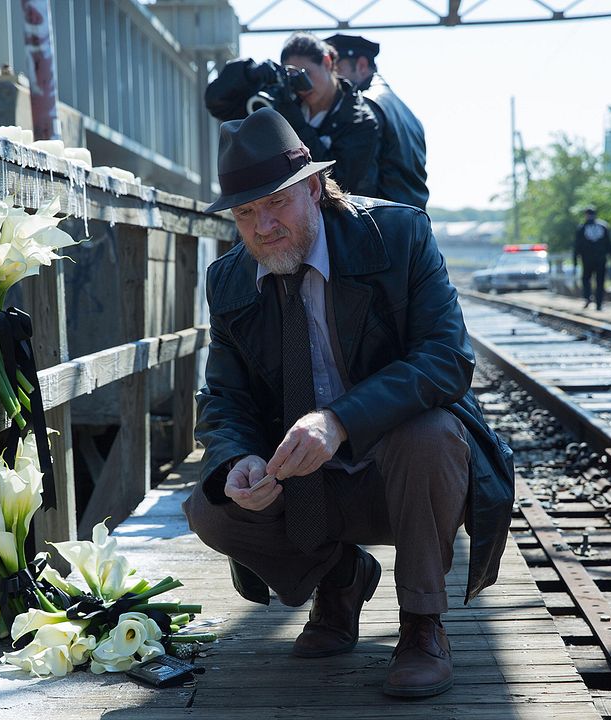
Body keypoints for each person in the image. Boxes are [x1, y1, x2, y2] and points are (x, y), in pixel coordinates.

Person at [183, 108, 515, 699]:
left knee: (430, 433)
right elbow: (225, 399)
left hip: (401, 469)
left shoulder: (400, 235)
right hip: (304, 482)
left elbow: (447, 358)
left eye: (276, 203)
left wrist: (340, 421)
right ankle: (340, 578)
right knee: (211, 506)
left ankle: (421, 624)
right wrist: (235, 461)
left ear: (313, 187)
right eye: (245, 213)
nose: (263, 227)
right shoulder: (228, 279)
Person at [204, 32, 380, 197]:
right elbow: (218, 104)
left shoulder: (360, 120)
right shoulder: (283, 101)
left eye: (306, 74)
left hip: (329, 224)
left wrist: (293, 122)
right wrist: (248, 74)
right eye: (292, 76)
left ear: (327, 63)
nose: (302, 86)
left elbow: (337, 183)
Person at [325, 33, 429, 209]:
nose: (331, 80)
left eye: (336, 69)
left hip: (380, 223)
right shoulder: (407, 112)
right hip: (410, 224)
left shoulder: (363, 107)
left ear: (362, 65)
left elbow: (356, 182)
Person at [573, 206, 611, 310]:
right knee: (600, 281)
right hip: (601, 259)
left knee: (586, 279)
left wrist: (575, 259)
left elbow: (577, 245)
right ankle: (599, 304)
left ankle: (588, 297)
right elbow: (609, 244)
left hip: (587, 260)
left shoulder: (582, 228)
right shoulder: (603, 226)